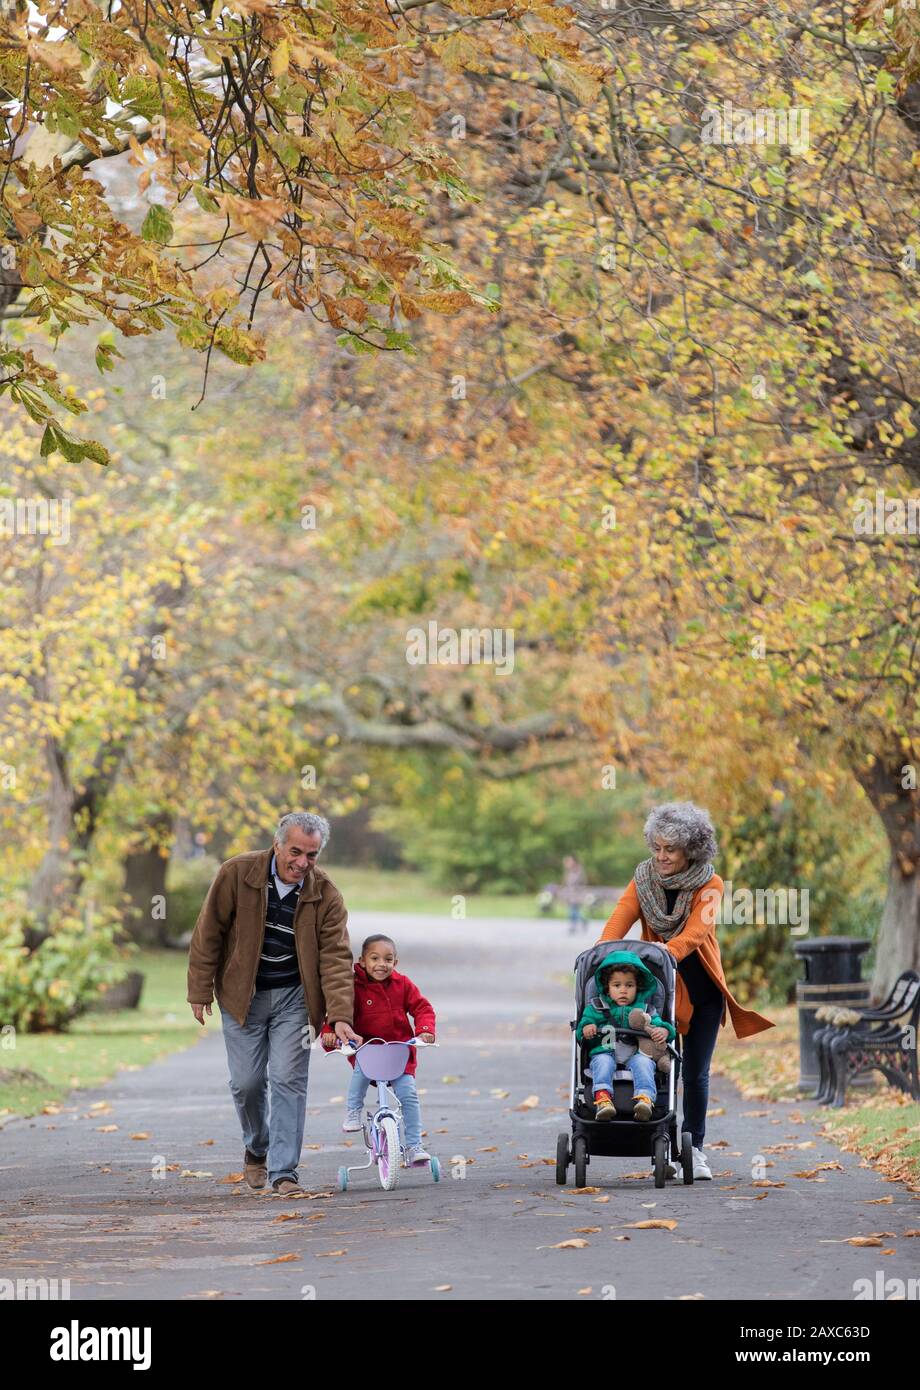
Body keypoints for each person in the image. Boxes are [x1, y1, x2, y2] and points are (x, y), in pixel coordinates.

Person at [596, 801, 773, 1179]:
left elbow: (696, 932)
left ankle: (694, 1149)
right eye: (656, 847)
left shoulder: (711, 883)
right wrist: (601, 955)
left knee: (694, 1073)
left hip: (701, 991)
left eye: (670, 850)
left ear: (690, 850)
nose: (660, 856)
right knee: (659, 1067)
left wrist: (665, 952)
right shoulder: (642, 880)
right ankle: (662, 1145)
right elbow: (617, 923)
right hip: (657, 994)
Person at [186, 811, 359, 1196]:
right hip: (241, 996)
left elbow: (335, 957)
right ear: (277, 844)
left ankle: (284, 1173)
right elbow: (208, 931)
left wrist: (341, 1015)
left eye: (311, 855)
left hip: (295, 999)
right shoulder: (238, 873)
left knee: (287, 1080)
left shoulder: (325, 893)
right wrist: (199, 990)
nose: (302, 862)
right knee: (246, 1083)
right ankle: (256, 1147)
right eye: (295, 851)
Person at [321, 934, 436, 1166]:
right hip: (366, 1050)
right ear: (362, 961)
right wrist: (330, 1033)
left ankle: (414, 1146)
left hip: (398, 1053)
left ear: (395, 962)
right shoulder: (353, 986)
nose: (381, 964)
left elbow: (422, 1007)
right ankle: (353, 1111)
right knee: (360, 1074)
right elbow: (336, 1012)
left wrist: (424, 1030)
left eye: (388, 959)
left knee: (409, 1096)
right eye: (375, 958)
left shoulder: (402, 984)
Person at [576, 950, 676, 1120]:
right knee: (602, 1061)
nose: (623, 991)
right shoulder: (596, 1007)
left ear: (638, 988)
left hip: (635, 1054)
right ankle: (602, 1099)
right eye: (617, 985)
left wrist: (665, 1031)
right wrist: (586, 1028)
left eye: (629, 985)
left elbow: (660, 1025)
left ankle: (645, 1100)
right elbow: (582, 1029)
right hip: (605, 1050)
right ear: (607, 988)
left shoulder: (645, 1010)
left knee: (644, 1063)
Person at [563, 854, 588, 933]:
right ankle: (574, 925)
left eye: (569, 861)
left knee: (573, 911)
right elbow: (567, 883)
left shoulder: (578, 871)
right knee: (573, 910)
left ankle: (582, 920)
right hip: (571, 894)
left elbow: (580, 882)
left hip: (577, 894)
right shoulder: (570, 871)